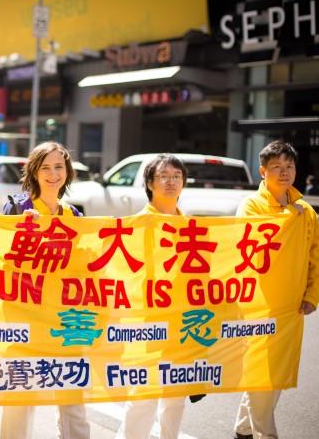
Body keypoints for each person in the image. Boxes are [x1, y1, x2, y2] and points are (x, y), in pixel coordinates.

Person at [233, 140, 319, 439]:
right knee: (263, 371)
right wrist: (291, 214)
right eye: (276, 167)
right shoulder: (251, 205)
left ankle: (244, 428)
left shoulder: (306, 211)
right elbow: (251, 246)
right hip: (259, 306)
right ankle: (265, 434)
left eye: (289, 167)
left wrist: (312, 295)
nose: (284, 173)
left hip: (292, 308)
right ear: (262, 171)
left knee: (278, 374)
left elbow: (318, 257)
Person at [0, 141, 89, 439]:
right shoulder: (17, 208)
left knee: (73, 405)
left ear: (68, 172)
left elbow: (81, 267)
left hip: (66, 322)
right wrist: (22, 234)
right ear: (34, 172)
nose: (53, 174)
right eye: (45, 167)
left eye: (59, 167)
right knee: (20, 405)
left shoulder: (74, 215)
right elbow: (0, 260)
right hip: (27, 321)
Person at [118, 154, 189, 439]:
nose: (171, 181)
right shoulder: (137, 224)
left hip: (182, 320)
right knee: (143, 392)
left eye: (176, 176)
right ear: (149, 183)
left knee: (176, 392)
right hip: (146, 321)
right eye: (163, 176)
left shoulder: (191, 228)